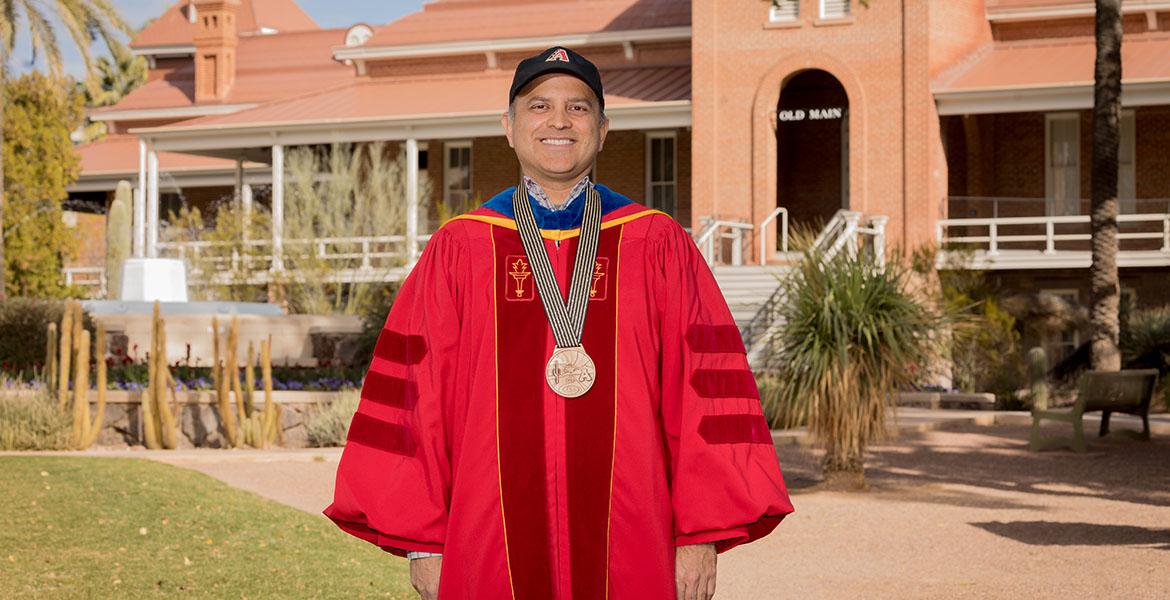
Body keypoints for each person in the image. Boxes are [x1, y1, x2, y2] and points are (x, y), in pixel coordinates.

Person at [324, 46, 793, 600]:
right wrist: (425, 543)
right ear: (509, 126)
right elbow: (416, 401)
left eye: (578, 108)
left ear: (602, 128)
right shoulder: (462, 247)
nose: (559, 121)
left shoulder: (655, 243)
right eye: (539, 106)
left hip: (635, 537)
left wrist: (699, 535)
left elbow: (704, 396)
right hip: (487, 538)